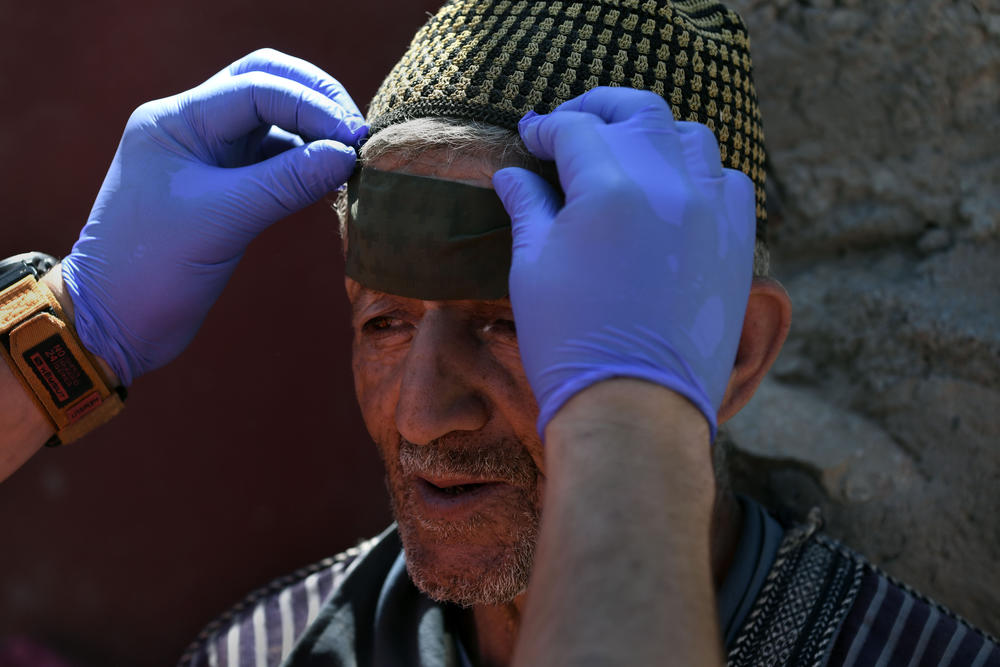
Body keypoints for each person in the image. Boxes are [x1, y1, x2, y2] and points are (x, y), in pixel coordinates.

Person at [1, 2, 997, 667]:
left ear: (732, 351)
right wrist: (69, 330)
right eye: (383, 320)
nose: (424, 415)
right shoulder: (277, 648)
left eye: (510, 321)